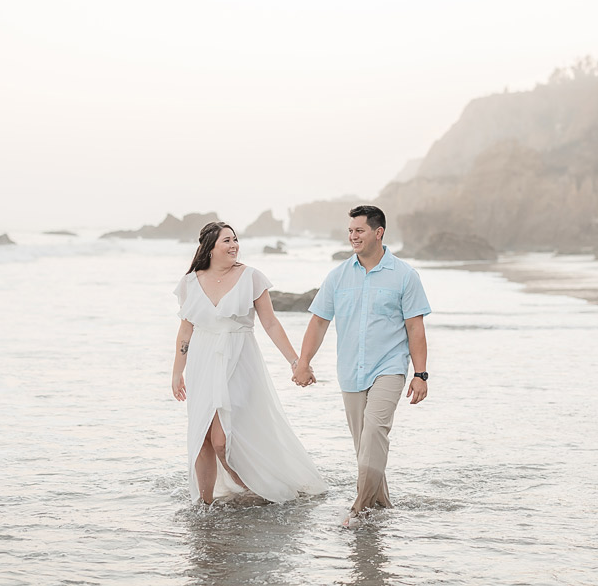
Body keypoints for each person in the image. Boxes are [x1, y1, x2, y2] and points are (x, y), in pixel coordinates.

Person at [292, 205, 431, 527]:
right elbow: (319, 322)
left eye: (360, 231)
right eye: (351, 231)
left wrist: (421, 374)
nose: (353, 236)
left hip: (390, 366)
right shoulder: (338, 276)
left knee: (374, 433)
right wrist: (303, 362)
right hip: (351, 370)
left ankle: (359, 509)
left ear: (378, 233)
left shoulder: (404, 275)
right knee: (365, 444)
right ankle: (381, 503)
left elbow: (415, 328)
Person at [171, 221, 327, 505]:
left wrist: (295, 361)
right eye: (226, 241)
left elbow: (270, 323)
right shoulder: (190, 282)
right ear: (210, 248)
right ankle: (203, 505)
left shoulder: (251, 277)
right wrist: (176, 373)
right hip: (203, 362)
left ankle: (255, 487)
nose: (234, 246)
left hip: (239, 360)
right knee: (202, 437)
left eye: (235, 240)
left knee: (223, 439)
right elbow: (185, 330)